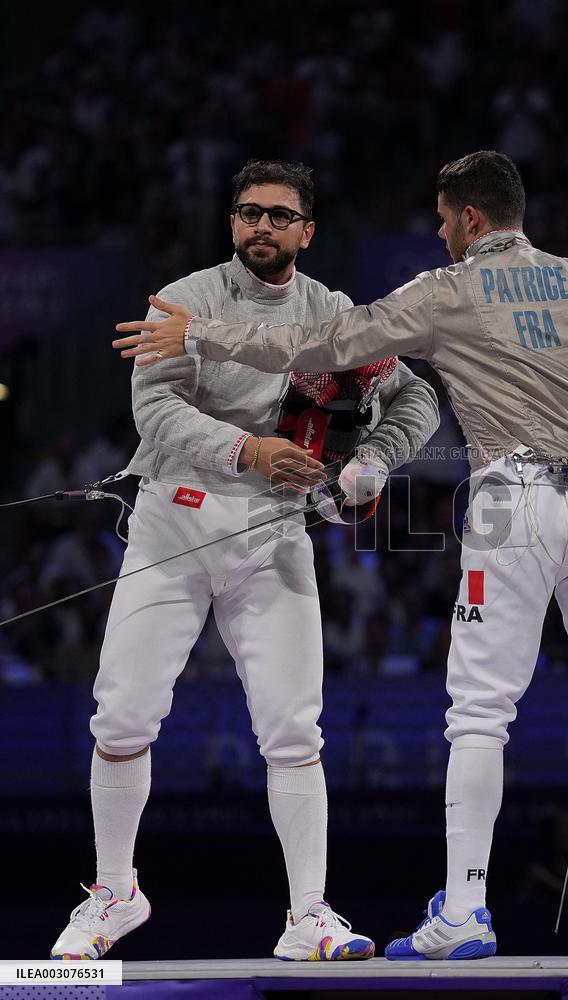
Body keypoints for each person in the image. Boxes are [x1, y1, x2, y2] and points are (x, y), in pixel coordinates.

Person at [114, 150, 568, 958]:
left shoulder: (446, 290)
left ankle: (464, 913)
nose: (439, 235)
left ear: (470, 217)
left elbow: (320, 344)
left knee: (480, 715)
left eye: (442, 221)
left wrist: (201, 334)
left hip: (514, 500)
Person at [53, 159, 439, 962]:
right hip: (174, 525)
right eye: (248, 212)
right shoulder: (186, 299)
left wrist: (371, 463)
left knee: (294, 729)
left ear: (307, 231)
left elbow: (417, 396)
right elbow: (154, 408)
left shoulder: (333, 313)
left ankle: (308, 916)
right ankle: (114, 894)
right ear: (233, 222)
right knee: (122, 715)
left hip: (273, 535)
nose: (261, 225)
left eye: (279, 214)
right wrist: (248, 449)